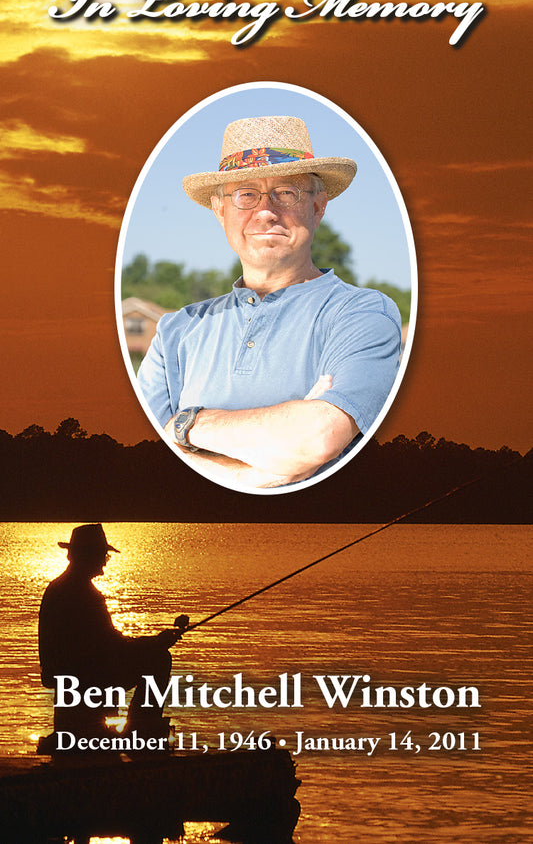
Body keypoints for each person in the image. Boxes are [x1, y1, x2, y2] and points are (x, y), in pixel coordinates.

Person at [137, 115, 401, 488]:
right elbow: (147, 458)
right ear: (220, 210)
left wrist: (185, 425)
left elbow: (318, 438)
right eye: (246, 194)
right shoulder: (175, 331)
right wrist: (259, 471)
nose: (265, 211)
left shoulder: (362, 314)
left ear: (318, 206)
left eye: (287, 192)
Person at [38, 523, 185, 745]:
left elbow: (106, 642)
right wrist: (156, 643)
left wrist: (151, 641)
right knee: (159, 659)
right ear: (88, 556)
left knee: (153, 653)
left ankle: (135, 728)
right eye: (102, 556)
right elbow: (110, 645)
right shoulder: (85, 594)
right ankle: (141, 730)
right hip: (85, 673)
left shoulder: (59, 587)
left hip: (71, 672)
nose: (104, 562)